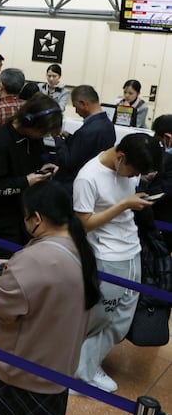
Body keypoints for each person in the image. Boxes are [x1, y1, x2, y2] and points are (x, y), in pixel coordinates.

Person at [0, 180, 101, 415]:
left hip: (24, 374)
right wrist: (13, 269)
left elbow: (0, 304)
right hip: (58, 370)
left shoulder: (35, 258)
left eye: (26, 217)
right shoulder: (80, 247)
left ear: (36, 218)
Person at [73, 133, 162, 392]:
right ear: (120, 158)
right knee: (100, 318)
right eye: (134, 171)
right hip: (106, 256)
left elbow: (126, 193)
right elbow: (85, 224)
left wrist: (137, 195)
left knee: (121, 319)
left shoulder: (127, 168)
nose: (133, 176)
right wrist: (124, 205)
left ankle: (87, 367)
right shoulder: (88, 177)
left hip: (131, 250)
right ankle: (80, 374)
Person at [0, 95, 62, 257]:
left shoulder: (33, 139)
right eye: (42, 131)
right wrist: (26, 181)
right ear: (28, 122)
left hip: (24, 216)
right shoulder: (0, 142)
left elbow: (33, 162)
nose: (43, 136)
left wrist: (43, 169)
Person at [54, 85, 116, 193]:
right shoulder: (108, 124)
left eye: (76, 107)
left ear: (84, 103)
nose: (76, 111)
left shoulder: (87, 131)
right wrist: (70, 137)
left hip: (74, 184)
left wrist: (58, 138)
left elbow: (68, 161)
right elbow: (88, 147)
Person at [143, 114, 172, 252]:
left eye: (161, 141)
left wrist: (143, 196)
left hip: (165, 216)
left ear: (168, 138)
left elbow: (167, 188)